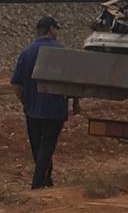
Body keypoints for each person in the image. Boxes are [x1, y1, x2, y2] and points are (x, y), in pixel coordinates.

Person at [11, 16, 80, 189]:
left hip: (32, 109)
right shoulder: (61, 51)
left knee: (38, 147)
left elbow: (16, 83)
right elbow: (72, 82)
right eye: (56, 29)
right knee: (47, 146)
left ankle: (46, 180)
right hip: (55, 109)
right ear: (50, 29)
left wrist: (25, 102)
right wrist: (76, 103)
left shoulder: (26, 52)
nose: (57, 32)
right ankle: (37, 184)